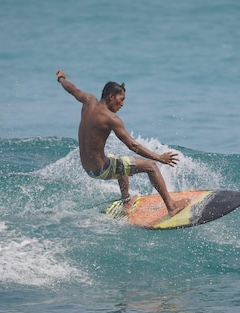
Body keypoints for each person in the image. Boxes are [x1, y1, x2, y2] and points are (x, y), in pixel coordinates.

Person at [56, 70, 189, 216]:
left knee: (120, 161)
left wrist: (61, 78)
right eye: (121, 99)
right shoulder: (111, 119)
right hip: (101, 169)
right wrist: (159, 158)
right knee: (151, 166)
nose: (122, 104)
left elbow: (72, 89)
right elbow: (132, 145)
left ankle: (126, 202)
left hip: (88, 168)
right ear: (111, 97)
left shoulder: (88, 100)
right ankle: (171, 207)